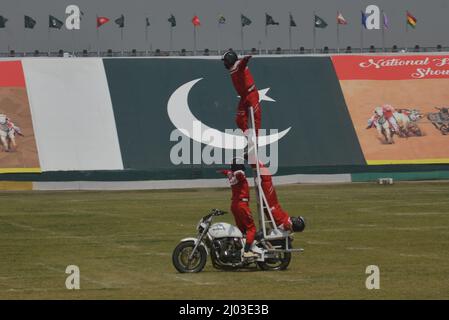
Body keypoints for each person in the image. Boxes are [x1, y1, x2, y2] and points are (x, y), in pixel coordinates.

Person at [218, 160, 259, 258]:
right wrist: (238, 172)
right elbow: (239, 174)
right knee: (251, 229)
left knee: (241, 230)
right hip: (242, 205)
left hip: (235, 205)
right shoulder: (239, 175)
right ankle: (246, 251)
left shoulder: (230, 175)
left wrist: (225, 171)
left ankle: (238, 250)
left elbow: (226, 172)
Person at [252, 161, 305, 233]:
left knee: (266, 177)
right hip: (272, 205)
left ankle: (252, 158)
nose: (294, 219)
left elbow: (287, 226)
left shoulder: (287, 225)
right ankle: (252, 159)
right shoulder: (286, 226)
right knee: (266, 177)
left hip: (271, 204)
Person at [222, 50, 261, 136]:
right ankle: (249, 137)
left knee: (256, 117)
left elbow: (242, 64)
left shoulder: (238, 66)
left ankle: (256, 139)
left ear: (230, 60)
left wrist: (245, 59)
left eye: (225, 61)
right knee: (239, 120)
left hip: (251, 94)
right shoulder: (232, 70)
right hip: (243, 97)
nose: (224, 64)